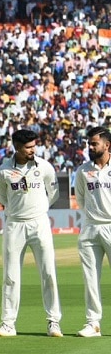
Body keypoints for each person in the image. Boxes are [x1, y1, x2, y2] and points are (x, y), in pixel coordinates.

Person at [0, 129, 62, 337]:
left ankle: (53, 321)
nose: (33, 150)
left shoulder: (45, 167)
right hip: (15, 225)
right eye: (28, 147)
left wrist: (38, 209)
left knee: (48, 272)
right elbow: (3, 198)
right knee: (11, 275)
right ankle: (8, 323)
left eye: (34, 146)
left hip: (39, 223)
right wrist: (19, 211)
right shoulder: (3, 171)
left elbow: (53, 193)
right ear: (17, 147)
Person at [74, 127, 111, 338]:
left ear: (107, 145)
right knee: (90, 278)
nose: (90, 146)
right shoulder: (83, 170)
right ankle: (93, 323)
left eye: (94, 143)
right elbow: (80, 199)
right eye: (89, 143)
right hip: (90, 228)